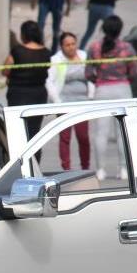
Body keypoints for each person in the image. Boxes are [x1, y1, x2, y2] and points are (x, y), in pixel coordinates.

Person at [85, 15, 137, 180]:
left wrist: (100, 80)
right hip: (123, 89)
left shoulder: (94, 48)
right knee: (122, 132)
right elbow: (135, 72)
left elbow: (88, 73)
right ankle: (123, 169)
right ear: (120, 30)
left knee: (101, 133)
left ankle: (100, 170)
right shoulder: (127, 48)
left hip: (102, 90)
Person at [4, 21, 51, 163]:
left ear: (23, 34)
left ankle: (18, 163)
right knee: (34, 132)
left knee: (17, 132)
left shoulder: (17, 51)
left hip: (18, 94)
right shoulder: (46, 53)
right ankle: (35, 163)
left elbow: (6, 69)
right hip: (38, 94)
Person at [46, 32, 93, 170]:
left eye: (73, 44)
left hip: (83, 103)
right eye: (67, 45)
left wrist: (91, 96)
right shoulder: (56, 59)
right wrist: (56, 101)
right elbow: (49, 81)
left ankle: (85, 167)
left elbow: (92, 77)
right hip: (64, 102)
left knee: (83, 137)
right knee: (65, 138)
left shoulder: (84, 56)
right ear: (61, 46)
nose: (71, 47)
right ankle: (66, 169)